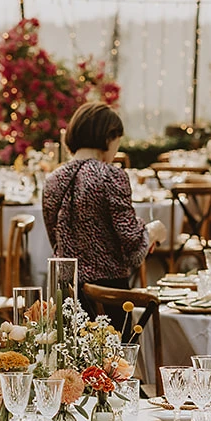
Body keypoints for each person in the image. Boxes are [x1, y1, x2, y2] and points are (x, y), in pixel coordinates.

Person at [42, 102, 168, 313]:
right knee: (115, 345)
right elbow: (133, 248)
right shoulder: (111, 175)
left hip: (64, 293)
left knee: (67, 347)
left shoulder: (53, 179)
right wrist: (153, 232)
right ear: (109, 138)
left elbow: (56, 240)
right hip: (106, 295)